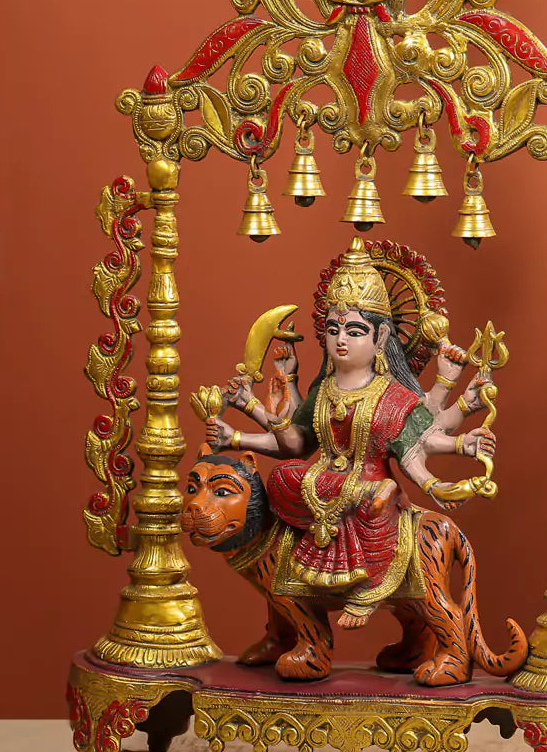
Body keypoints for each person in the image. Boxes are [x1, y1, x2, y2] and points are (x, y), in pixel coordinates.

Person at [206, 239, 494, 628]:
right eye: (333, 329)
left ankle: (368, 588)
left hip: (370, 490)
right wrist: (237, 436)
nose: (341, 339)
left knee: (371, 499)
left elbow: (412, 450)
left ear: (380, 339)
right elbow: (295, 444)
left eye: (355, 330)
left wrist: (438, 485)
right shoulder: (322, 390)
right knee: (280, 479)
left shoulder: (391, 395)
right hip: (318, 484)